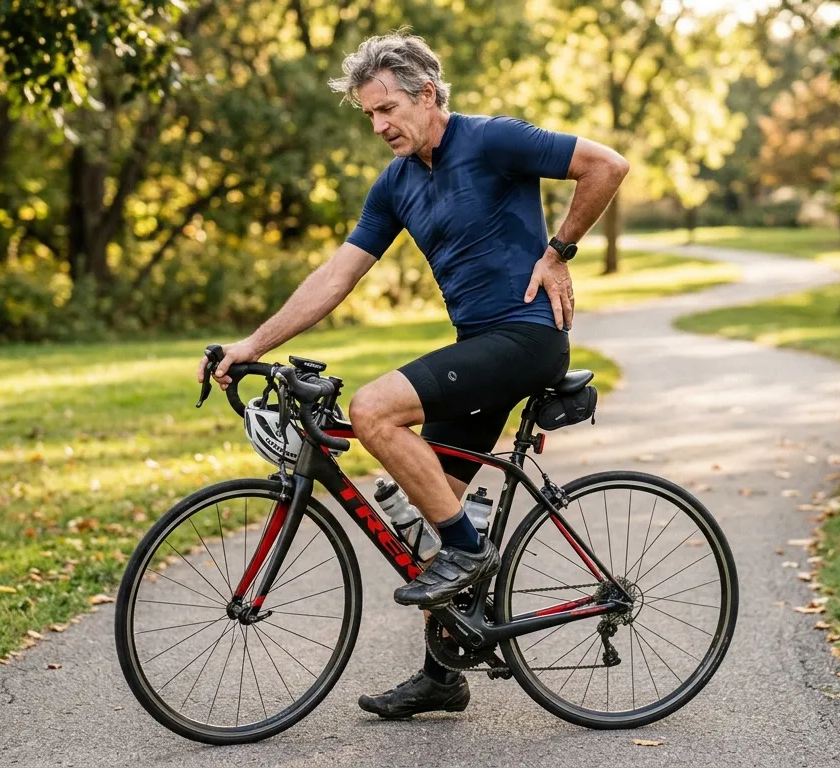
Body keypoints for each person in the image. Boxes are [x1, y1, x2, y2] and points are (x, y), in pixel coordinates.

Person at [197, 31, 629, 719]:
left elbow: (607, 165)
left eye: (388, 108)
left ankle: (469, 551)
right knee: (430, 513)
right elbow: (336, 276)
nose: (378, 125)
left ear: (428, 96)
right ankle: (444, 672)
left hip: (526, 338)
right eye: (369, 114)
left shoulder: (492, 140)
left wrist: (558, 252)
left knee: (372, 411)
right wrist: (252, 344)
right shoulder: (396, 184)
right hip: (478, 345)